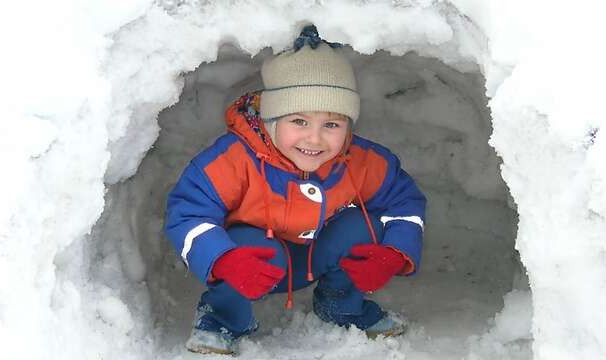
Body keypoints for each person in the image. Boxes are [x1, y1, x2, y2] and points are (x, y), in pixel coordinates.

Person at [164, 25, 427, 355]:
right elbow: (187, 213)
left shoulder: (359, 159)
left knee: (368, 227)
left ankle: (340, 305)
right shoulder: (233, 159)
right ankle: (223, 318)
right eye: (299, 122)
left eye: (331, 124)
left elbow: (405, 202)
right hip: (255, 264)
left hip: (318, 252)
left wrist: (393, 254)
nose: (314, 139)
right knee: (242, 243)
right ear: (272, 120)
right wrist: (223, 260)